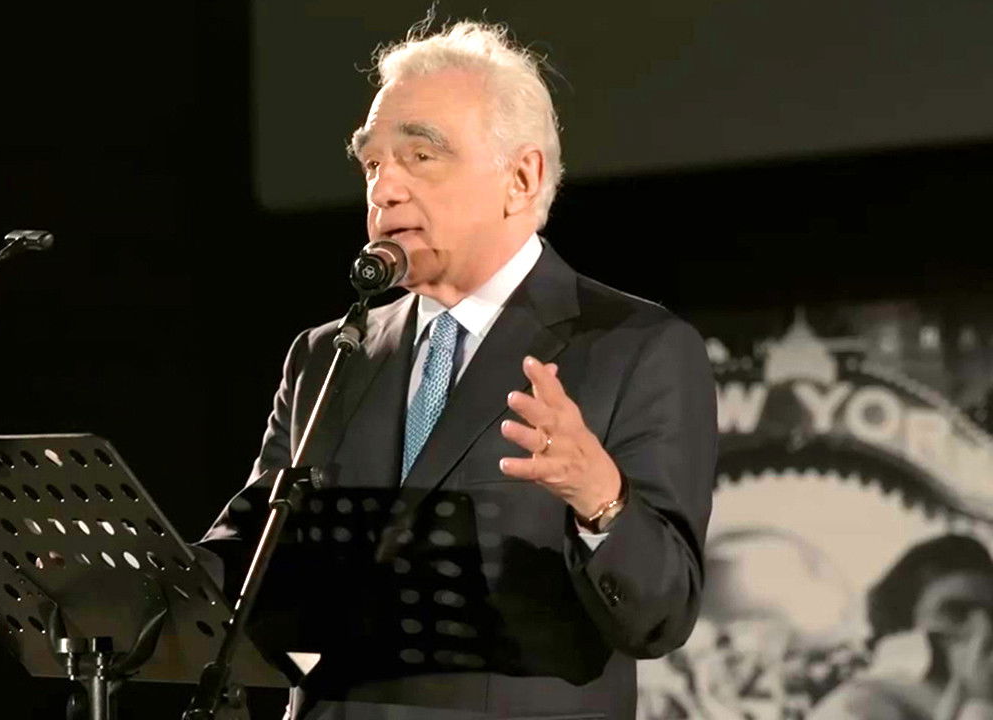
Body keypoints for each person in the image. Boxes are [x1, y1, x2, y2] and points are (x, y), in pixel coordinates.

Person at [199, 20, 717, 720]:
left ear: (522, 178)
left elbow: (664, 612)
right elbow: (249, 553)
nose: (384, 189)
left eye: (420, 155)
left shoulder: (635, 347)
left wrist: (602, 500)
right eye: (372, 164)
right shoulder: (328, 355)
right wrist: (113, 578)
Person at [810, 535, 993, 720]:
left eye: (991, 615)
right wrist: (980, 702)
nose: (985, 630)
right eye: (957, 612)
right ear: (904, 623)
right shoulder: (855, 707)